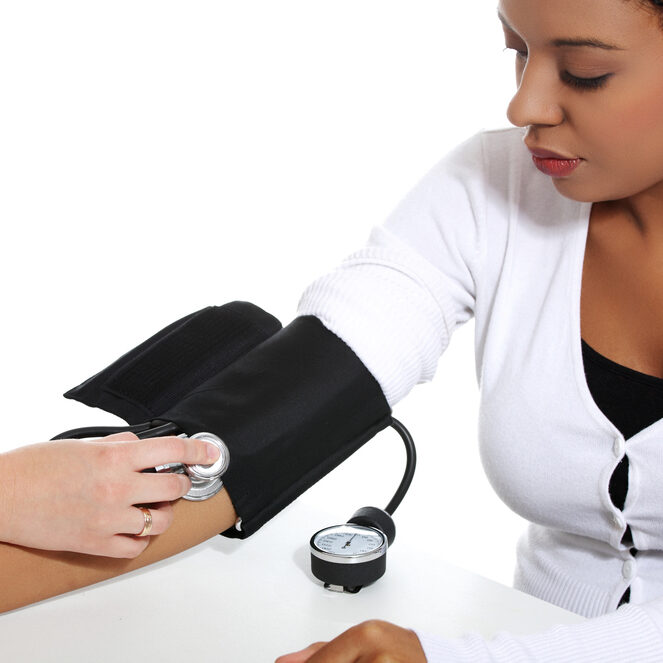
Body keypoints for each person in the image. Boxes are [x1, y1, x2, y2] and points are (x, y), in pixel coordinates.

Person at [271, 0, 663, 659]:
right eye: (517, 51)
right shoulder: (502, 180)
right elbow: (345, 347)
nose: (524, 106)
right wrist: (191, 453)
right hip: (529, 625)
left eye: (583, 71)